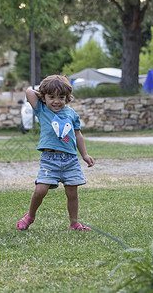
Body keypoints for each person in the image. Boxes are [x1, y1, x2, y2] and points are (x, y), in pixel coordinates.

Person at [16, 75, 95, 231]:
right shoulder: (42, 109)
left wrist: (84, 155)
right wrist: (43, 94)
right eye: (52, 97)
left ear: (67, 98)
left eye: (61, 97)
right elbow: (28, 91)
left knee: (72, 193)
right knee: (40, 190)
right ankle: (30, 216)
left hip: (70, 160)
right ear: (44, 98)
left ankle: (74, 223)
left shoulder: (71, 114)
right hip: (49, 159)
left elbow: (78, 135)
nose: (56, 101)